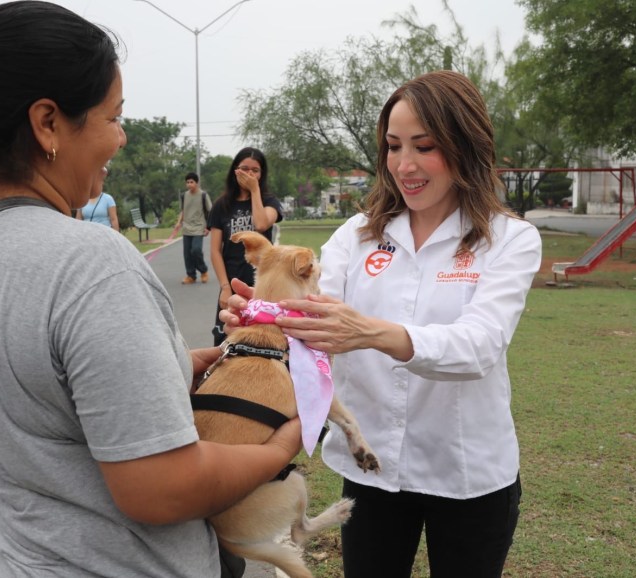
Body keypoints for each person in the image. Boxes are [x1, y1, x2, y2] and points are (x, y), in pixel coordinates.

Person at [0, 2, 300, 577]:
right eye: (114, 117)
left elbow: (46, 395)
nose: (120, 138)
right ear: (47, 122)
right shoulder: (91, 262)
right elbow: (160, 489)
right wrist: (277, 449)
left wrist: (169, 366)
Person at [221, 71, 542, 577]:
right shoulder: (357, 235)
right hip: (372, 475)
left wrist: (370, 332)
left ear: (466, 145)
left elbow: (480, 345)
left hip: (467, 472)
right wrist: (264, 317)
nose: (405, 165)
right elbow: (316, 311)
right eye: (393, 146)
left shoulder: (509, 239)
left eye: (425, 146)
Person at [208, 147, 283, 345]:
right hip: (231, 283)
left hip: (262, 286)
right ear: (235, 170)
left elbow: (261, 224)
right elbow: (215, 250)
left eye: (255, 170)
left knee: (260, 341)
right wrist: (225, 287)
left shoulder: (270, 202)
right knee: (226, 340)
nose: (249, 174)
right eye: (244, 168)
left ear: (262, 174)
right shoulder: (221, 205)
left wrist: (254, 190)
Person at [177, 171, 212, 284]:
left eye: (191, 182)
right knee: (187, 254)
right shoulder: (184, 196)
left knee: (196, 250)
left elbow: (210, 211)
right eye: (187, 182)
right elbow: (183, 211)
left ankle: (203, 271)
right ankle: (191, 275)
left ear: (196, 183)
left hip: (199, 227)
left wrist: (209, 227)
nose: (189, 184)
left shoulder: (203, 195)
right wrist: (179, 223)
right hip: (186, 228)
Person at [78, 165, 120, 230]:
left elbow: (114, 219)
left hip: (104, 234)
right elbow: (78, 219)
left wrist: (116, 236)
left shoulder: (108, 199)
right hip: (86, 235)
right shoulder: (82, 199)